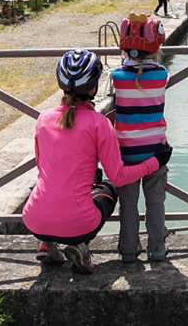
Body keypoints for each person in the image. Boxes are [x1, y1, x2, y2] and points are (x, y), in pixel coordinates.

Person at [21, 48, 173, 274]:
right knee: (109, 187)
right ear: (93, 88)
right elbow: (119, 176)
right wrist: (155, 162)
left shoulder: (43, 119)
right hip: (79, 224)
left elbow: (42, 165)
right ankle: (79, 245)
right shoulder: (99, 123)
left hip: (34, 220)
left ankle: (47, 243)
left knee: (55, 188)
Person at [114, 12, 170, 262]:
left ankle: (128, 251)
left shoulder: (117, 77)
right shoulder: (162, 75)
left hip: (125, 153)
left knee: (128, 204)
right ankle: (157, 248)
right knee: (155, 202)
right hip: (156, 153)